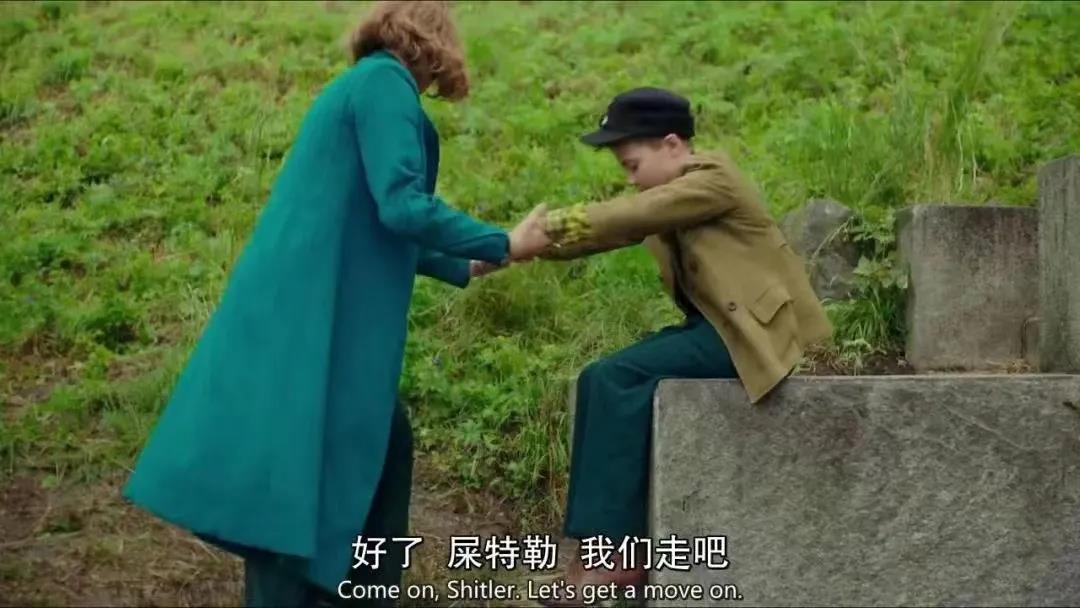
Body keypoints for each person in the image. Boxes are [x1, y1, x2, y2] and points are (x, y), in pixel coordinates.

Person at [121, 2, 550, 606]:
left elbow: (373, 218)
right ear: (432, 43)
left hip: (303, 312)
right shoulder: (384, 84)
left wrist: (471, 261)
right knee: (301, 482)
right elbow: (401, 205)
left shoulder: (365, 85)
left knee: (366, 449)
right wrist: (501, 240)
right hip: (313, 318)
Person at [530, 87, 833, 602]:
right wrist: (518, 248)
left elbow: (631, 214)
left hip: (750, 337)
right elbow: (615, 231)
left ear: (672, 145)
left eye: (633, 164)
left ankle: (618, 559)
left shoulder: (714, 178)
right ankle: (594, 553)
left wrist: (550, 225)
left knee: (616, 378)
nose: (630, 178)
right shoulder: (671, 198)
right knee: (598, 379)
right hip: (714, 330)